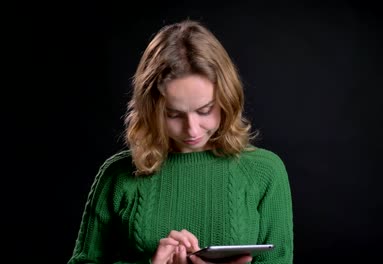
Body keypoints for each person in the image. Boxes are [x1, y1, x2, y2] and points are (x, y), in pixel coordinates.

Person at [67, 19, 293, 264]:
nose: (192, 129)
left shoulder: (265, 171)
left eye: (205, 110)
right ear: (150, 109)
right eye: (173, 114)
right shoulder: (117, 175)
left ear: (227, 98)